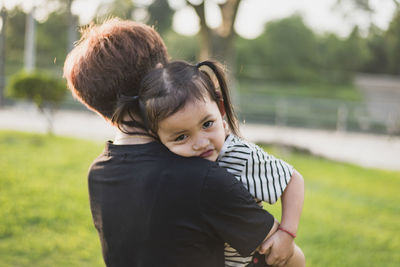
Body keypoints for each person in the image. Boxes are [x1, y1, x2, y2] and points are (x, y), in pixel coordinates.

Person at [63, 18, 284, 267]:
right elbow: (279, 254)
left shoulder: (98, 173)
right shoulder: (202, 174)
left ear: (97, 107)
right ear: (160, 73)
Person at [112, 60, 306, 267]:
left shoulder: (240, 156)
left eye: (207, 124)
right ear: (156, 136)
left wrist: (286, 233)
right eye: (181, 137)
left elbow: (293, 180)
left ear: (220, 108)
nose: (201, 143)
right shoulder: (164, 164)